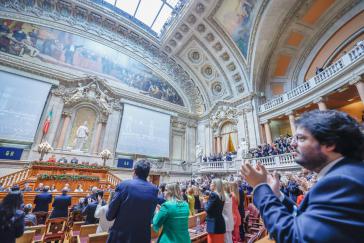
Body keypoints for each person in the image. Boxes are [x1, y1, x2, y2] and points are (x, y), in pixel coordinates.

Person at [241, 110, 364, 243]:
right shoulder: (345, 174)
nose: (293, 144)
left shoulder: (342, 181)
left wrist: (260, 187)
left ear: (329, 144)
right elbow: (305, 219)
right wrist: (277, 195)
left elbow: (295, 237)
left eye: (301, 138)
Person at [106, 160, 158, 243]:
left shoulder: (124, 185)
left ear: (134, 171)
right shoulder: (154, 190)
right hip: (142, 238)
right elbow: (151, 215)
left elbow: (109, 216)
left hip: (121, 237)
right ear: (148, 173)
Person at [204, 178, 226, 243]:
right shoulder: (222, 195)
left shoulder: (213, 195)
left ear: (215, 185)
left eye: (211, 183)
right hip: (220, 222)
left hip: (213, 223)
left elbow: (207, 209)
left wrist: (205, 202)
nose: (210, 185)